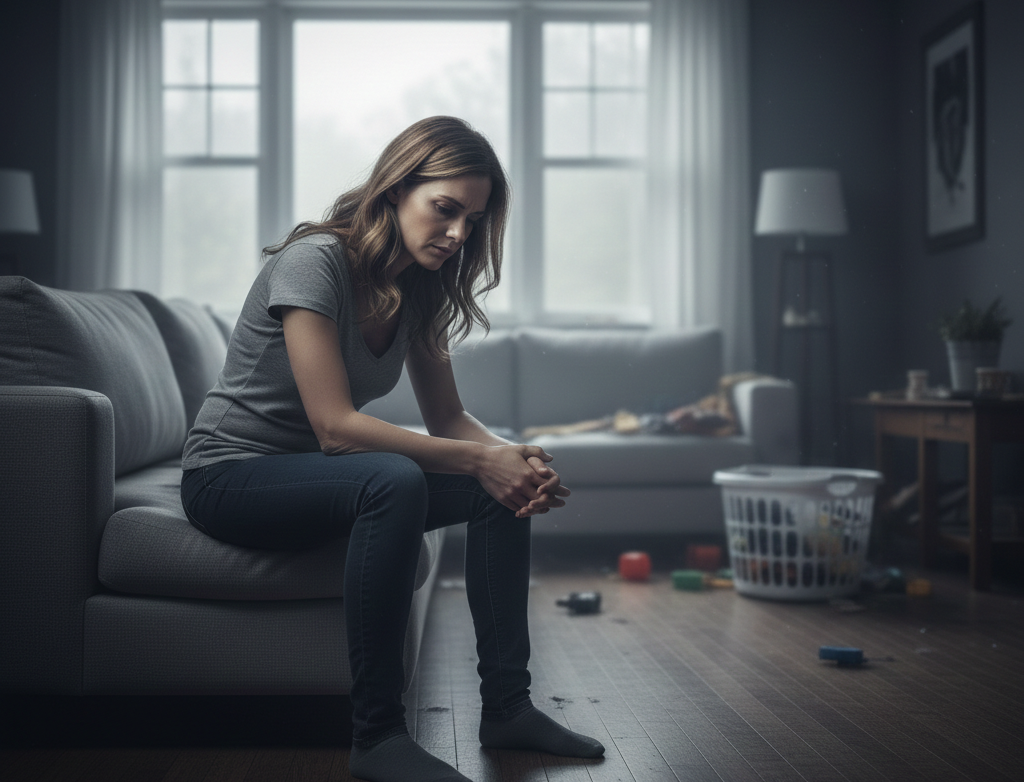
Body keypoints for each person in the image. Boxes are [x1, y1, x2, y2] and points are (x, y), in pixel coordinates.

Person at [180, 116, 604, 782]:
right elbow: (336, 428)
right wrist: (480, 459)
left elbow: (449, 417)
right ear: (395, 188)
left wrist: (510, 459)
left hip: (316, 479)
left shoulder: (420, 288)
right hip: (229, 478)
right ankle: (377, 736)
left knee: (497, 492)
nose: (460, 233)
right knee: (393, 478)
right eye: (445, 209)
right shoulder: (315, 261)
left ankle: (509, 707)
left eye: (473, 218)